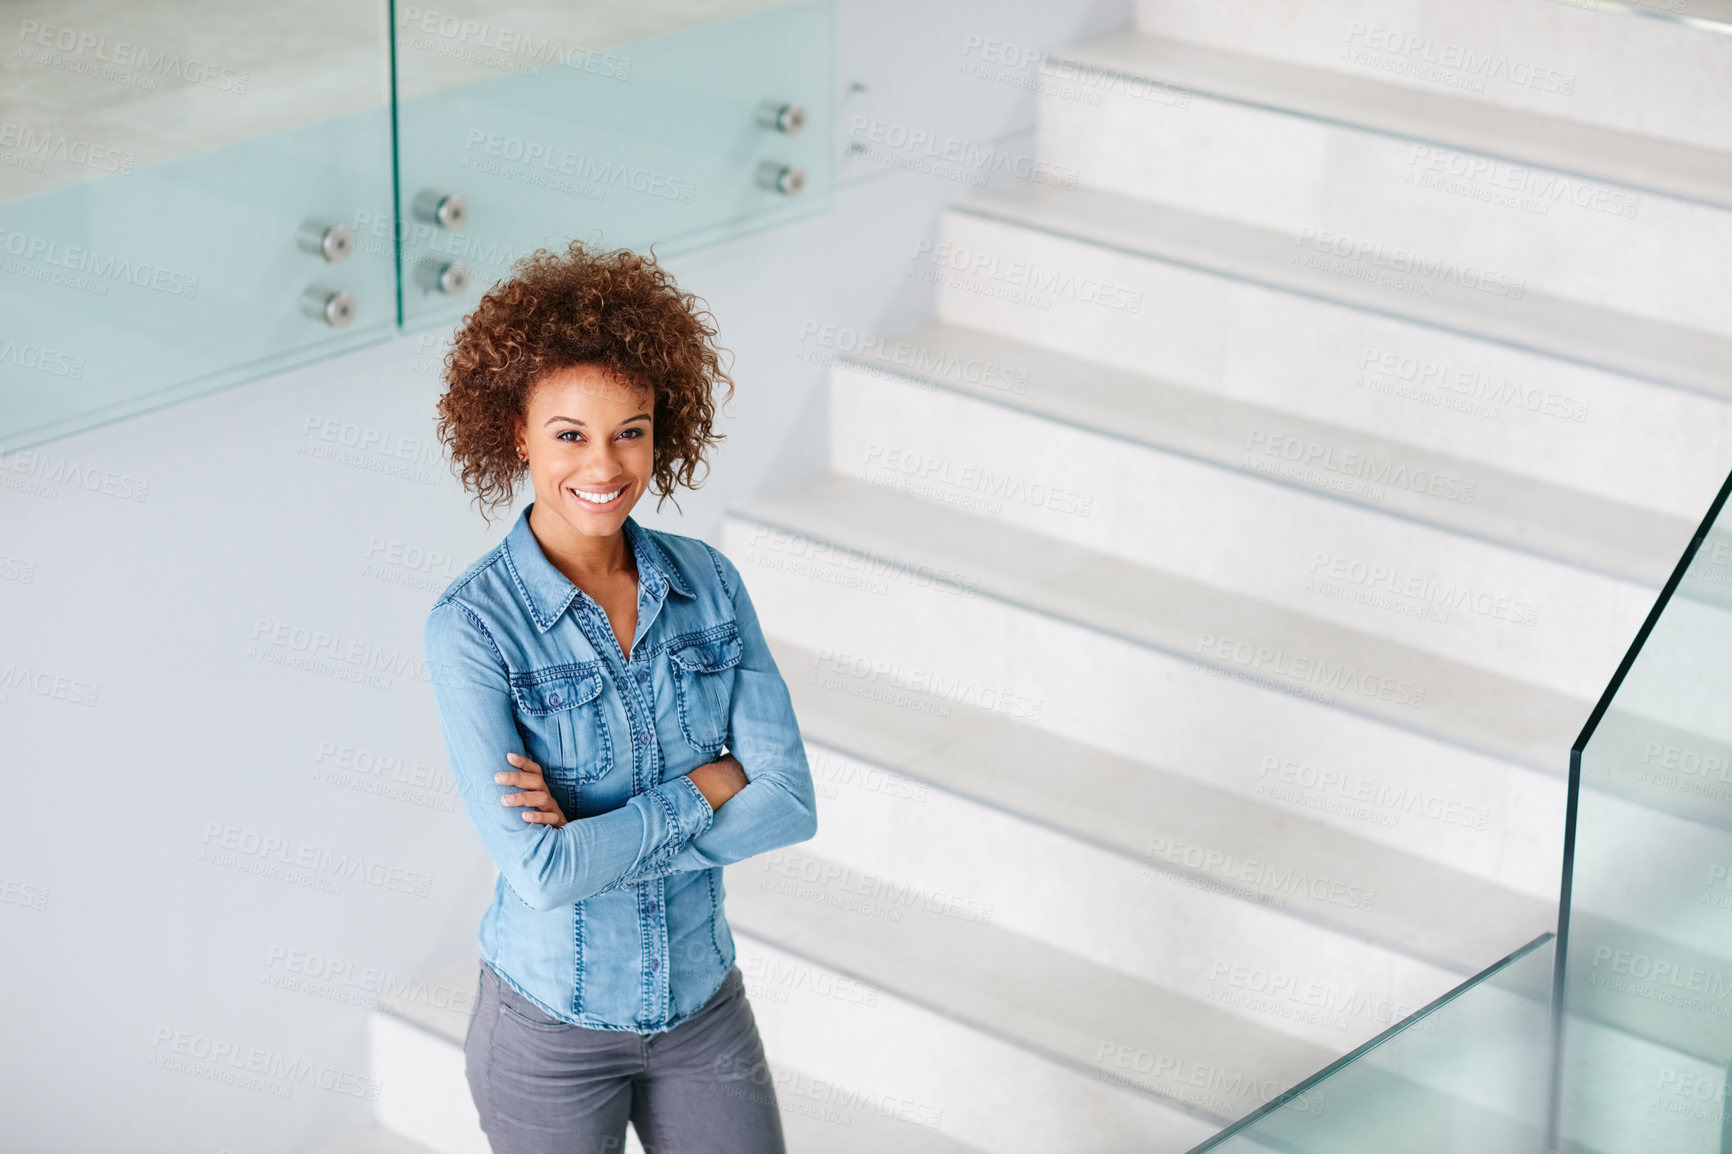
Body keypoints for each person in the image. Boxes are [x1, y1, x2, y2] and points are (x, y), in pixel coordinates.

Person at [420, 240, 818, 1153]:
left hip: (703, 1010)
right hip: (549, 1032)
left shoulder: (708, 583)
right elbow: (542, 875)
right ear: (516, 433)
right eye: (569, 434)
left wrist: (597, 839)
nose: (603, 465)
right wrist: (708, 786)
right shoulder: (473, 631)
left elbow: (790, 804)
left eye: (629, 430)